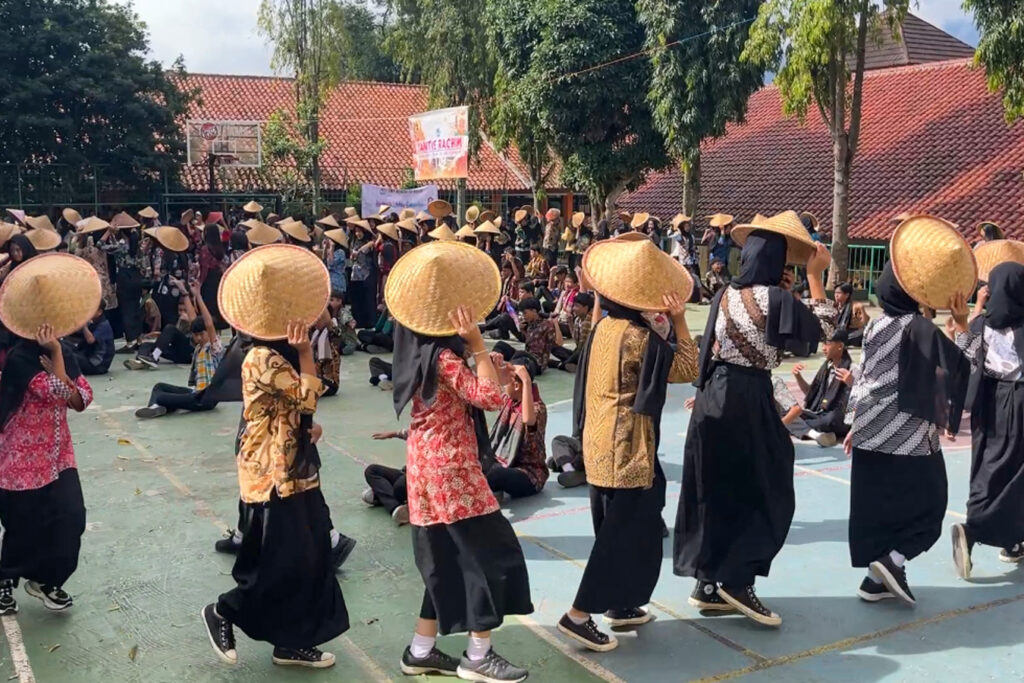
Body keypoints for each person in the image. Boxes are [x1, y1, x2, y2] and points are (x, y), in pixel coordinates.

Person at [675, 212, 834, 627]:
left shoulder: (723, 295)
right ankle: (738, 580)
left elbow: (710, 346)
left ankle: (708, 582)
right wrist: (816, 277)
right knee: (767, 487)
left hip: (714, 396)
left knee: (718, 488)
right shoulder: (777, 300)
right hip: (749, 396)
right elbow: (823, 332)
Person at [386, 241, 532, 681]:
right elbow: (489, 398)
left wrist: (479, 359)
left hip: (424, 472)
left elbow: (469, 390)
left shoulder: (416, 358)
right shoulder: (446, 358)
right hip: (453, 472)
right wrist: (478, 346)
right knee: (487, 556)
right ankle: (478, 655)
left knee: (446, 560)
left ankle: (421, 648)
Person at [202, 245, 348, 670]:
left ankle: (291, 641)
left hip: (296, 468)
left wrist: (307, 426)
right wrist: (306, 353)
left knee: (314, 552)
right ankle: (223, 611)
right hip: (273, 475)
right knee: (283, 562)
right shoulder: (261, 357)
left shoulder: (274, 353)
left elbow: (302, 409)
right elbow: (307, 395)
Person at [556, 236, 698, 653]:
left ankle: (621, 604)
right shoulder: (640, 338)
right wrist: (680, 320)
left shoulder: (602, 328)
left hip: (597, 444)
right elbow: (687, 367)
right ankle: (579, 615)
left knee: (618, 529)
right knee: (622, 536)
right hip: (629, 451)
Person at [844, 225, 973, 606]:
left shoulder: (873, 326)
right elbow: (961, 370)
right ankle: (893, 560)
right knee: (931, 508)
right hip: (909, 436)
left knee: (879, 510)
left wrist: (853, 421)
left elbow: (863, 375)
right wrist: (963, 326)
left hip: (870, 430)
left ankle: (874, 579)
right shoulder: (921, 328)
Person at [950, 262, 1024, 578]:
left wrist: (964, 323)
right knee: (1012, 472)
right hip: (1017, 402)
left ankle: (1013, 540)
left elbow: (965, 357)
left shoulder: (982, 323)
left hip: (986, 402)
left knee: (986, 466)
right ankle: (975, 530)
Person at [134, 282, 224, 419]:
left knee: (161, 396)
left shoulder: (213, 348)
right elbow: (193, 319)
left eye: (202, 334)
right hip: (196, 393)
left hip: (205, 399)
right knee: (159, 387)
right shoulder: (198, 347)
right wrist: (185, 293)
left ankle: (157, 405)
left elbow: (208, 323)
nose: (199, 337)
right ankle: (157, 408)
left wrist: (198, 296)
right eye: (196, 334)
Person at [486, 357, 548, 502]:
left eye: (508, 380)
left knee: (494, 475)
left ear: (516, 386)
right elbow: (490, 391)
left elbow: (528, 419)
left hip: (529, 475)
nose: (504, 384)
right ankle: (494, 489)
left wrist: (526, 382)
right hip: (507, 465)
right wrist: (492, 365)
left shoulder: (537, 408)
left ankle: (493, 490)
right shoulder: (510, 402)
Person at [786, 330, 854, 446]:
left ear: (840, 346)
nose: (823, 348)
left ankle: (800, 427)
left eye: (827, 343)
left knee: (830, 420)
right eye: (822, 344)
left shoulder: (852, 369)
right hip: (820, 414)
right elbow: (810, 393)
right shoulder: (826, 368)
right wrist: (798, 376)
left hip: (837, 418)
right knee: (788, 413)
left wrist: (851, 383)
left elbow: (861, 398)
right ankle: (813, 432)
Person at [492, 297, 561, 374]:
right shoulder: (530, 324)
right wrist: (523, 331)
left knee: (520, 354)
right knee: (501, 345)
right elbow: (531, 342)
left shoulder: (547, 325)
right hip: (526, 356)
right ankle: (492, 364)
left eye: (525, 313)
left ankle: (507, 369)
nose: (524, 316)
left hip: (537, 363)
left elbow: (559, 343)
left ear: (534, 311)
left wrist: (556, 324)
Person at [362, 430, 410, 526]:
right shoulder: (421, 424)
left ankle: (384, 498)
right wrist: (393, 434)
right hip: (409, 472)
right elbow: (413, 431)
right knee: (372, 470)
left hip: (424, 477)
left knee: (399, 486)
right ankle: (397, 506)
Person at [550, 291, 594, 373]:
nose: (573, 308)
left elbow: (581, 349)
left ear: (586, 307)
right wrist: (570, 323)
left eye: (577, 306)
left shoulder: (588, 322)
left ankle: (563, 365)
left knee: (566, 362)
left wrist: (566, 362)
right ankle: (567, 364)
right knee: (554, 348)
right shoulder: (578, 319)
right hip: (578, 352)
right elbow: (575, 340)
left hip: (586, 355)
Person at [71, 306, 115, 376]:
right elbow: (77, 337)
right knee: (66, 346)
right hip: (88, 357)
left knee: (69, 356)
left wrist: (84, 326)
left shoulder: (104, 325)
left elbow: (90, 340)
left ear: (99, 312)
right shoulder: (93, 322)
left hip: (97, 365)